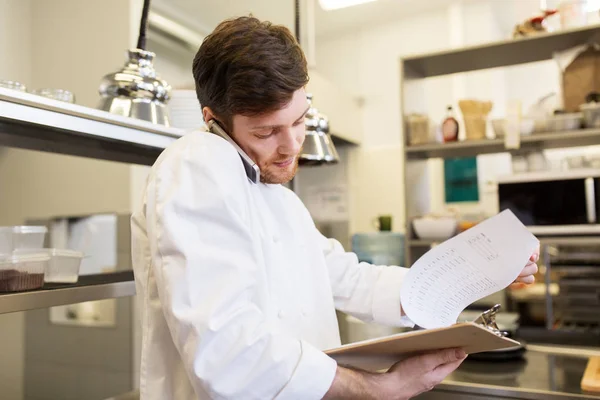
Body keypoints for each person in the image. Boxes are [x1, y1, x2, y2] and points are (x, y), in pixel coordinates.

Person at [130, 16, 539, 400]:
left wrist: (479, 268)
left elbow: (347, 279)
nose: (292, 146)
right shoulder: (196, 163)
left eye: (299, 120)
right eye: (267, 131)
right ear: (212, 119)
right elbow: (228, 353)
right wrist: (381, 388)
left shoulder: (278, 199)